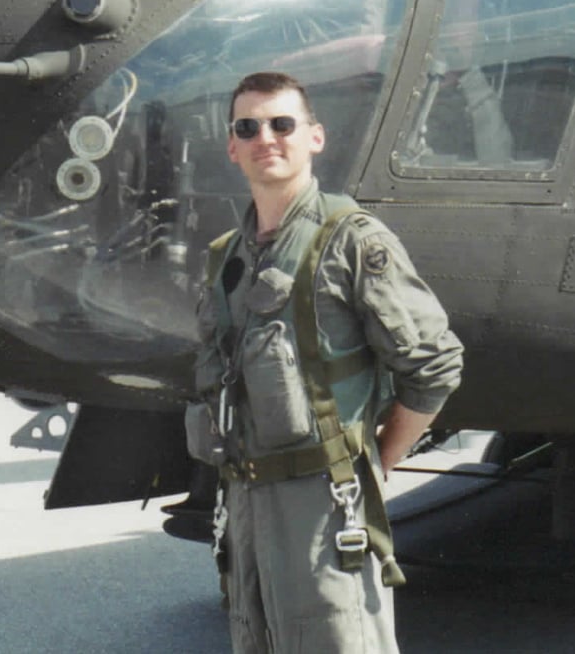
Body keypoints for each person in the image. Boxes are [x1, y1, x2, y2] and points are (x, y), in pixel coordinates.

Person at [189, 71, 464, 652]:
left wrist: (377, 463)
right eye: (249, 126)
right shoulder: (225, 260)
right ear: (232, 147)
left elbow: (434, 364)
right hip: (245, 503)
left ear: (314, 137)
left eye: (282, 124)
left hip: (325, 506)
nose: (268, 136)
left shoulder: (352, 240)